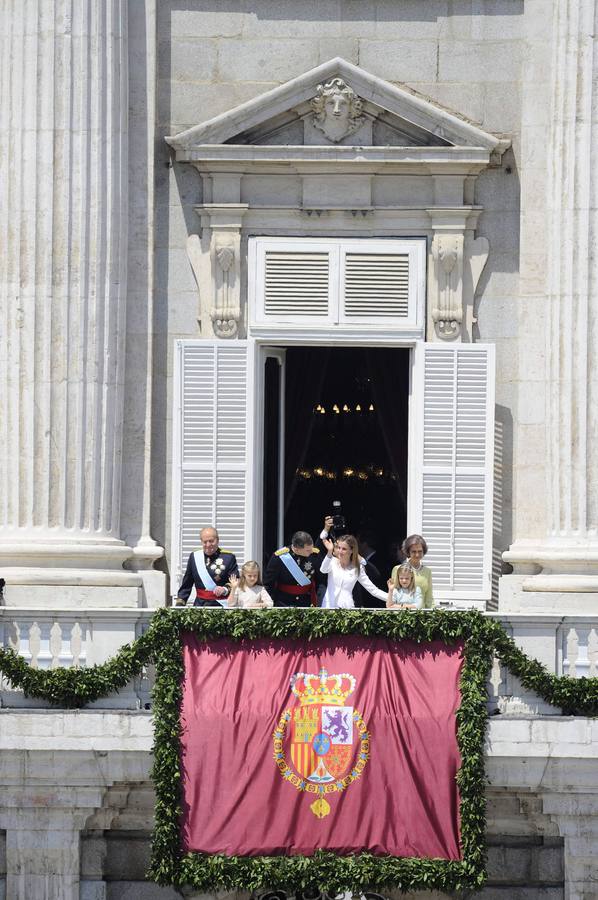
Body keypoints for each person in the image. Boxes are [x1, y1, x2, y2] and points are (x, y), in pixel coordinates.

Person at [175, 526, 239, 607]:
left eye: (211, 541)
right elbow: (187, 583)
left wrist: (225, 589)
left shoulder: (228, 557)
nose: (208, 545)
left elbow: (234, 580)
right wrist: (180, 603)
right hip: (200, 605)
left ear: (217, 540)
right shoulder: (194, 557)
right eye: (205, 542)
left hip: (221, 605)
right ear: (201, 542)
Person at [320, 534, 388, 609]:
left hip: (347, 609)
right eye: (339, 548)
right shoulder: (331, 561)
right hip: (328, 607)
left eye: (344, 549)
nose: (340, 551)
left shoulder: (357, 568)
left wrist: (395, 599)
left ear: (352, 550)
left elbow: (373, 590)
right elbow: (323, 570)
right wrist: (329, 551)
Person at [263, 531, 322, 607]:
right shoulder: (280, 557)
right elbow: (268, 584)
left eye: (311, 548)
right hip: (284, 602)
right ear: (296, 549)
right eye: (308, 550)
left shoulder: (314, 555)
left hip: (306, 602)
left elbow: (320, 580)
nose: (311, 551)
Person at [391, 534, 434, 608]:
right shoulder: (397, 569)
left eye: (420, 551)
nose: (417, 554)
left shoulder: (427, 571)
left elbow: (429, 597)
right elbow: (393, 594)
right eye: (414, 551)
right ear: (408, 552)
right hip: (401, 614)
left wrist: (432, 614)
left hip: (422, 615)